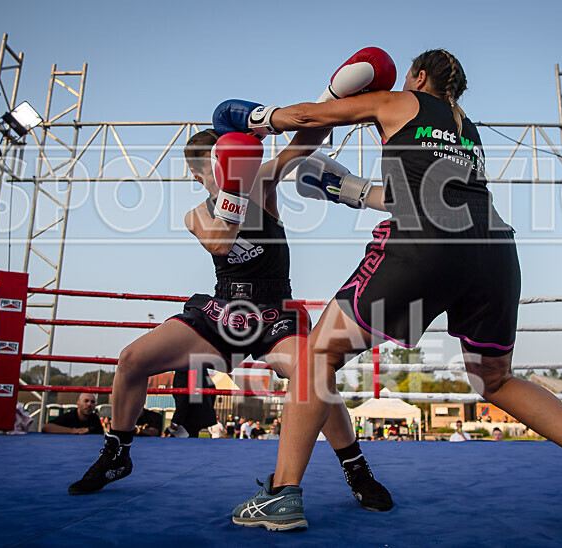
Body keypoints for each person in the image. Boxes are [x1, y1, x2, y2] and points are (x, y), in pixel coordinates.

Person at [220, 48, 562, 528]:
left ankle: (282, 494)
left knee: (318, 356)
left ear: (418, 76)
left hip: (426, 246)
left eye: (406, 77)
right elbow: (426, 193)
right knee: (495, 379)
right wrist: (348, 191)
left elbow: (308, 117)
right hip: (496, 252)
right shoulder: (468, 130)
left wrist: (255, 118)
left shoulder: (396, 102)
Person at [67, 80, 392, 511]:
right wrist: (234, 188)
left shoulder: (262, 183)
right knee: (131, 359)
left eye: (228, 163)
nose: (224, 172)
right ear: (199, 173)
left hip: (275, 309)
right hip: (223, 308)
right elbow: (220, 243)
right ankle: (116, 454)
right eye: (216, 166)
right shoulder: (195, 214)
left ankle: (356, 468)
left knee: (315, 373)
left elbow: (304, 144)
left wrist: (327, 102)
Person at [166, 369, 218, 438]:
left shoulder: (185, 370)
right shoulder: (201, 369)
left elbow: (183, 395)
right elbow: (212, 389)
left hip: (187, 416)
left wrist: (176, 420)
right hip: (198, 414)